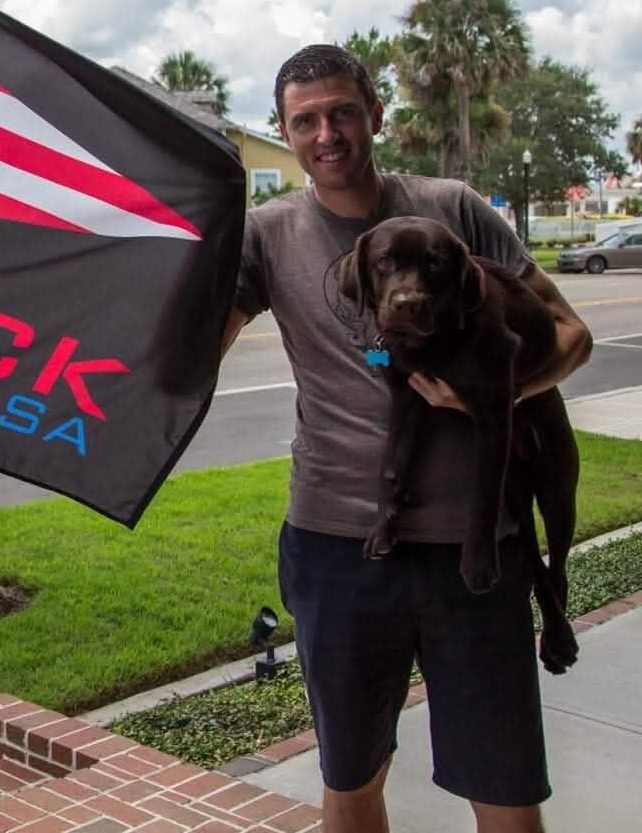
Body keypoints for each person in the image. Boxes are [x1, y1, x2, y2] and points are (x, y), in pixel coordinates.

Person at [224, 45, 591, 833]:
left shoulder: (452, 210)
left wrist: (494, 395)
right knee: (351, 779)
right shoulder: (269, 235)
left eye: (343, 111)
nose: (328, 133)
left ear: (375, 113)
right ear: (284, 133)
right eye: (306, 120)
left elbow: (570, 332)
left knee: (505, 787)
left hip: (475, 549)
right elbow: (187, 354)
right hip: (337, 546)